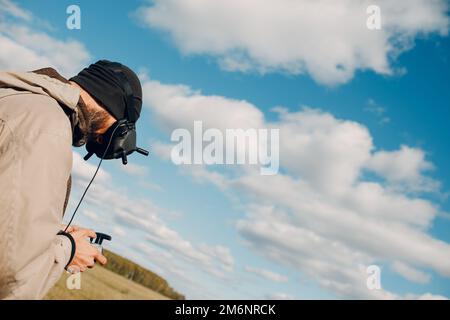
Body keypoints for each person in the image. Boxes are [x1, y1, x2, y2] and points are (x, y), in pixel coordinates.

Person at [0, 60, 143, 299]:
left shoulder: (18, 98)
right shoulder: (49, 125)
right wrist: (69, 249)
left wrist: (45, 229)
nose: (99, 140)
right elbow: (11, 273)